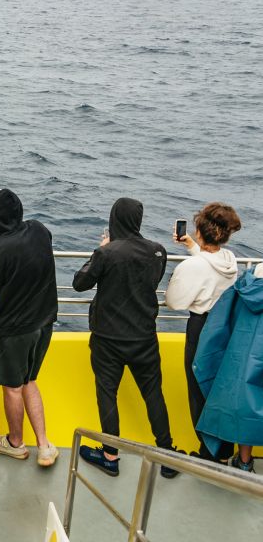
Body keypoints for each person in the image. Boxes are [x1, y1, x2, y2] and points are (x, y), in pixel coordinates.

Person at [72, 197, 179, 478]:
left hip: (108, 339)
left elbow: (79, 283)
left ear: (114, 219)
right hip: (144, 337)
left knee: (107, 394)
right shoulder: (158, 251)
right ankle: (167, 456)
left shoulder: (108, 253)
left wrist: (100, 250)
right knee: (153, 394)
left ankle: (110, 455)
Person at [0, 188, 58, 466]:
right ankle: (44, 445)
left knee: (12, 388)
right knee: (29, 380)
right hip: (44, 322)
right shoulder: (39, 230)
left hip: (16, 329)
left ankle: (15, 443)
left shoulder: (2, 250)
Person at [165, 202, 242, 462]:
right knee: (218, 390)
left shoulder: (192, 266)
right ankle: (223, 451)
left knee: (198, 393)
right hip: (224, 330)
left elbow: (174, 302)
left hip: (201, 329)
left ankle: (208, 453)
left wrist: (191, 257)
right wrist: (192, 247)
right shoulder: (229, 260)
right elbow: (210, 262)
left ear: (200, 231)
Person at [193, 262, 263, 473]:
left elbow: (223, 320)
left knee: (245, 407)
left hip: (245, 354)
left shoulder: (249, 281)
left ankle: (244, 462)